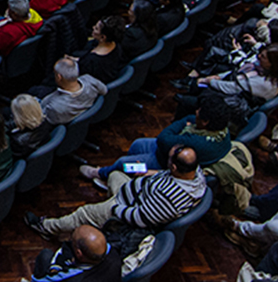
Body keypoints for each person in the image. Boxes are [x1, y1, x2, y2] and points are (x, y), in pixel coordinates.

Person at [26, 145, 207, 239]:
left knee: (85, 213)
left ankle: (47, 227)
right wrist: (151, 173)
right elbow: (170, 175)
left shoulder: (168, 198)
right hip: (136, 193)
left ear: (175, 167)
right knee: (115, 173)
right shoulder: (195, 173)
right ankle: (107, 204)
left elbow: (140, 218)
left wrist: (115, 210)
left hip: (126, 208)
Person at [84, 92, 234, 182]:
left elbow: (164, 138)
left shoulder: (196, 142)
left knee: (123, 162)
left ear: (206, 122)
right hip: (166, 151)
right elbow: (184, 123)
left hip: (167, 164)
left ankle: (101, 173)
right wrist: (185, 123)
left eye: (199, 112)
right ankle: (124, 178)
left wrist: (183, 123)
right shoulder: (222, 130)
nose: (195, 112)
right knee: (137, 144)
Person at [75, 17, 128, 82]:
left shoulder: (91, 62)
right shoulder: (116, 46)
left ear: (103, 37)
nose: (93, 27)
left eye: (96, 28)